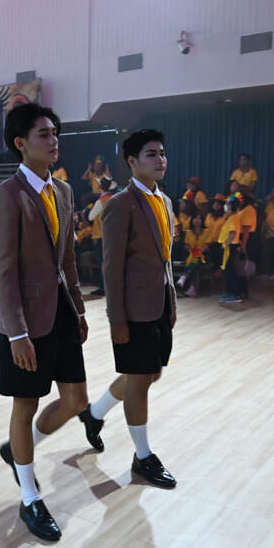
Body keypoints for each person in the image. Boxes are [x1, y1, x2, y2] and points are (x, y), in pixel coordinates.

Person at [0, 103, 99, 542]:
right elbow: (2, 270)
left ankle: (18, 448)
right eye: (44, 134)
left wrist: (79, 308)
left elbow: (67, 258)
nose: (54, 141)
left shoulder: (64, 191)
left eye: (55, 133)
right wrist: (16, 331)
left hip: (63, 314)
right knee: (25, 405)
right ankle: (30, 495)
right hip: (25, 324)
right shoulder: (7, 195)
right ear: (21, 143)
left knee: (76, 400)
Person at [83, 129, 178, 490]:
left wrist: (171, 300)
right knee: (139, 381)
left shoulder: (165, 201)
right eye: (152, 154)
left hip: (159, 304)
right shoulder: (121, 204)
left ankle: (94, 413)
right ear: (132, 162)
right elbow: (111, 267)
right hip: (133, 311)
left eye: (162, 153)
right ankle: (143, 456)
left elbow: (165, 258)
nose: (160, 159)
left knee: (150, 375)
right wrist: (116, 318)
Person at [88, 177, 114, 296]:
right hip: (112, 235)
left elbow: (91, 217)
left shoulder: (100, 201)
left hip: (101, 235)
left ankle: (103, 288)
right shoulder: (114, 199)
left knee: (102, 262)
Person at [176, 213, 210, 297]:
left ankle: (184, 276)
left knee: (195, 259)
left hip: (203, 255)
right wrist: (192, 252)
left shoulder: (206, 232)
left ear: (202, 221)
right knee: (194, 262)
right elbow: (186, 245)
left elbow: (207, 245)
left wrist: (199, 252)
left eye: (199, 218)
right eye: (195, 218)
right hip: (190, 254)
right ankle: (192, 288)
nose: (197, 220)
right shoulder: (189, 232)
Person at [218, 193, 243, 303]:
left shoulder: (233, 218)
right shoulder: (231, 217)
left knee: (230, 270)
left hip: (230, 247)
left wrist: (225, 244)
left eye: (228, 204)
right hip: (228, 247)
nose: (226, 206)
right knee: (227, 270)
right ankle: (229, 292)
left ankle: (235, 294)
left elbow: (232, 233)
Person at [238, 193, 258, 297]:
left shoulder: (249, 209)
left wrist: (243, 245)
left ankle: (243, 290)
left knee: (243, 265)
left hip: (246, 238)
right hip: (239, 237)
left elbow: (246, 229)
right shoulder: (241, 209)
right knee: (239, 265)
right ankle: (239, 289)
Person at [205, 193, 228, 266]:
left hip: (219, 243)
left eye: (218, 204)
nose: (216, 205)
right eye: (214, 203)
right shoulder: (209, 215)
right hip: (208, 243)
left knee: (218, 263)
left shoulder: (225, 216)